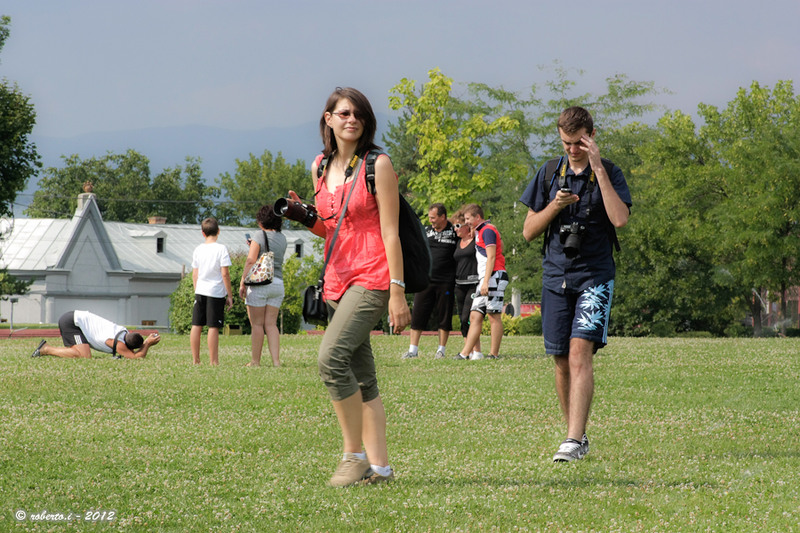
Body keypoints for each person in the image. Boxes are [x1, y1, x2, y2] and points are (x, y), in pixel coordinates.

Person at [285, 87, 410, 487]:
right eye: (343, 113)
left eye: (358, 114)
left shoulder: (378, 165)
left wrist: (397, 291)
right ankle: (381, 469)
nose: (351, 119)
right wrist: (306, 217)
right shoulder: (320, 167)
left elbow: (390, 233)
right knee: (364, 377)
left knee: (330, 359)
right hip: (336, 279)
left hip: (372, 276)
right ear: (328, 119)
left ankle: (353, 456)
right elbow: (331, 229)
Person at [519, 106, 631, 463]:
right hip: (556, 276)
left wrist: (598, 167)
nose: (572, 149)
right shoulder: (549, 173)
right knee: (561, 359)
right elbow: (528, 231)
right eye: (566, 143)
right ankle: (577, 436)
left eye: (579, 142)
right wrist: (555, 206)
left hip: (595, 276)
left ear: (592, 136)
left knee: (580, 351)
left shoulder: (610, 171)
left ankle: (571, 439)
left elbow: (620, 219)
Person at [401, 203, 457, 359]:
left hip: (446, 281)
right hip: (426, 280)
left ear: (443, 217)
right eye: (429, 217)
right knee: (418, 314)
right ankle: (413, 350)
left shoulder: (454, 231)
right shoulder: (425, 231)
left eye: (433, 217)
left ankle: (441, 350)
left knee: (444, 316)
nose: (430, 220)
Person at [453, 204, 508, 361]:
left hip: (494, 276)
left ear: (478, 217)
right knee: (475, 315)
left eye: (468, 219)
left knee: (493, 315)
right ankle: (465, 353)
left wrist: (485, 282)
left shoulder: (487, 231)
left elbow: (492, 257)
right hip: (485, 279)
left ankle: (494, 354)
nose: (466, 222)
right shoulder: (481, 230)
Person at [239, 204, 287, 367]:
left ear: (261, 221)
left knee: (257, 325)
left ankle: (255, 361)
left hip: (260, 283)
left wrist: (242, 281)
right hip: (277, 283)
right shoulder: (282, 238)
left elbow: (251, 261)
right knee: (271, 325)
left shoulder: (259, 235)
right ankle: (276, 361)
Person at [190, 217, 234, 366]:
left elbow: (195, 274)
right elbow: (225, 274)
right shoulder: (221, 249)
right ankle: (213, 361)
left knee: (196, 324)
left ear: (203, 233)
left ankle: (196, 360)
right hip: (215, 292)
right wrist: (229, 295)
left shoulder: (198, 249)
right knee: (213, 326)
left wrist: (197, 290)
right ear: (218, 231)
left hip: (200, 290)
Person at [31, 310, 160, 359]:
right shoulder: (116, 343)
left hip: (76, 318)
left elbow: (130, 351)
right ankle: (46, 349)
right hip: (72, 322)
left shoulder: (124, 332)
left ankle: (49, 350)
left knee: (81, 353)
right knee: (84, 356)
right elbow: (136, 358)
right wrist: (147, 344)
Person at [451, 207, 482, 359]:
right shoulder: (457, 242)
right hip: (459, 285)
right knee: (462, 321)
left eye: (458, 225)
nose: (455, 229)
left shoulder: (477, 239)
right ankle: (469, 351)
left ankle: (476, 351)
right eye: (454, 226)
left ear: (466, 225)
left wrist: (475, 231)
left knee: (467, 318)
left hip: (473, 284)